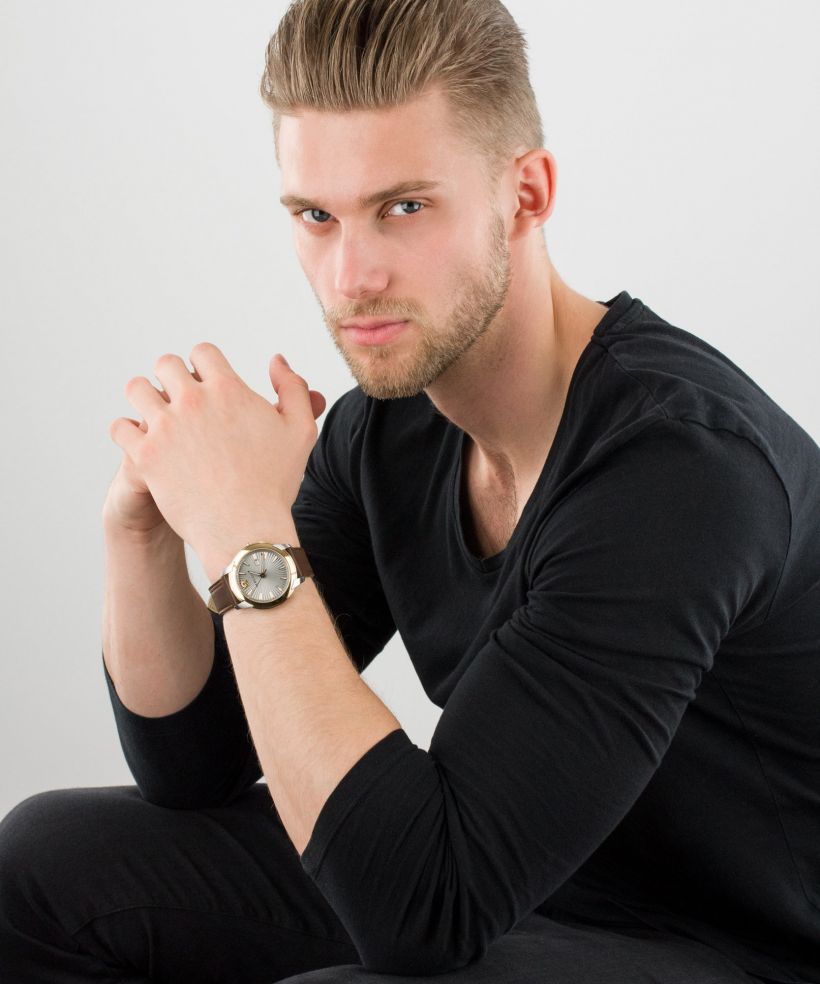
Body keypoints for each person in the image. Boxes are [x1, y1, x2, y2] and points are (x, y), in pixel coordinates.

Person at [1, 0, 817, 981]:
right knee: (44, 864)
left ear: (526, 193)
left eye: (404, 208)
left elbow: (422, 908)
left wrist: (248, 531)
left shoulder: (679, 466)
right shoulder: (385, 433)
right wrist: (142, 526)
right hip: (527, 895)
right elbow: (196, 764)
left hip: (741, 949)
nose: (351, 277)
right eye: (316, 216)